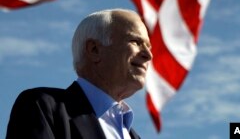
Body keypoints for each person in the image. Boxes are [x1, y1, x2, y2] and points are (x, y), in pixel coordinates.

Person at [6, 8, 152, 139]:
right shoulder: (42, 107)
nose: (148, 55)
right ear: (94, 50)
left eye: (148, 46)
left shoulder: (133, 135)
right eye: (135, 42)